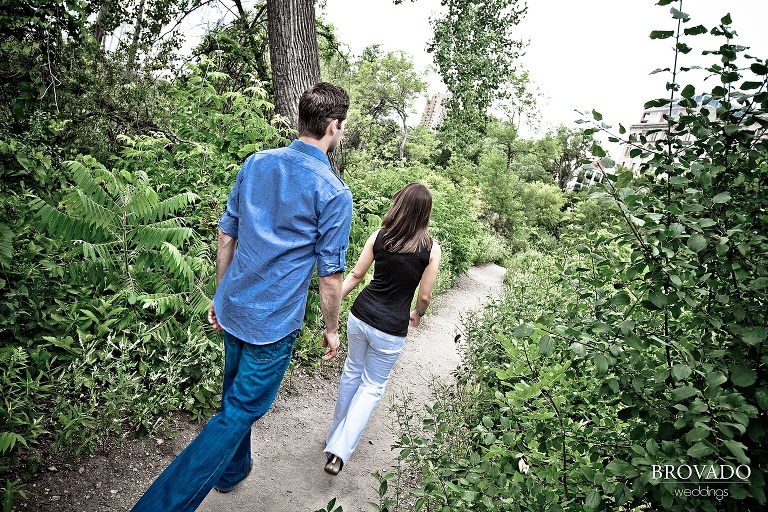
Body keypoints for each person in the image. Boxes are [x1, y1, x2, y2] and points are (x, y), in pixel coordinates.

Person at [132, 82, 352, 512]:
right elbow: (330, 278)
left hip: (235, 305)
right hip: (272, 323)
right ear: (332, 126)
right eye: (341, 127)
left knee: (233, 394)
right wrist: (331, 330)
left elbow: (226, 234)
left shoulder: (256, 163)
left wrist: (220, 292)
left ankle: (232, 471)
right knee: (236, 411)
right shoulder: (333, 192)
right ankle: (159, 506)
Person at [323, 183, 441, 475]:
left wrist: (333, 304)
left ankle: (332, 438)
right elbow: (424, 296)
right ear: (425, 213)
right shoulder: (431, 249)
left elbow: (355, 274)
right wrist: (418, 314)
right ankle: (339, 452)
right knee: (372, 387)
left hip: (360, 316)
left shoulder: (380, 236)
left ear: (399, 205)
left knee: (352, 373)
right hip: (391, 328)